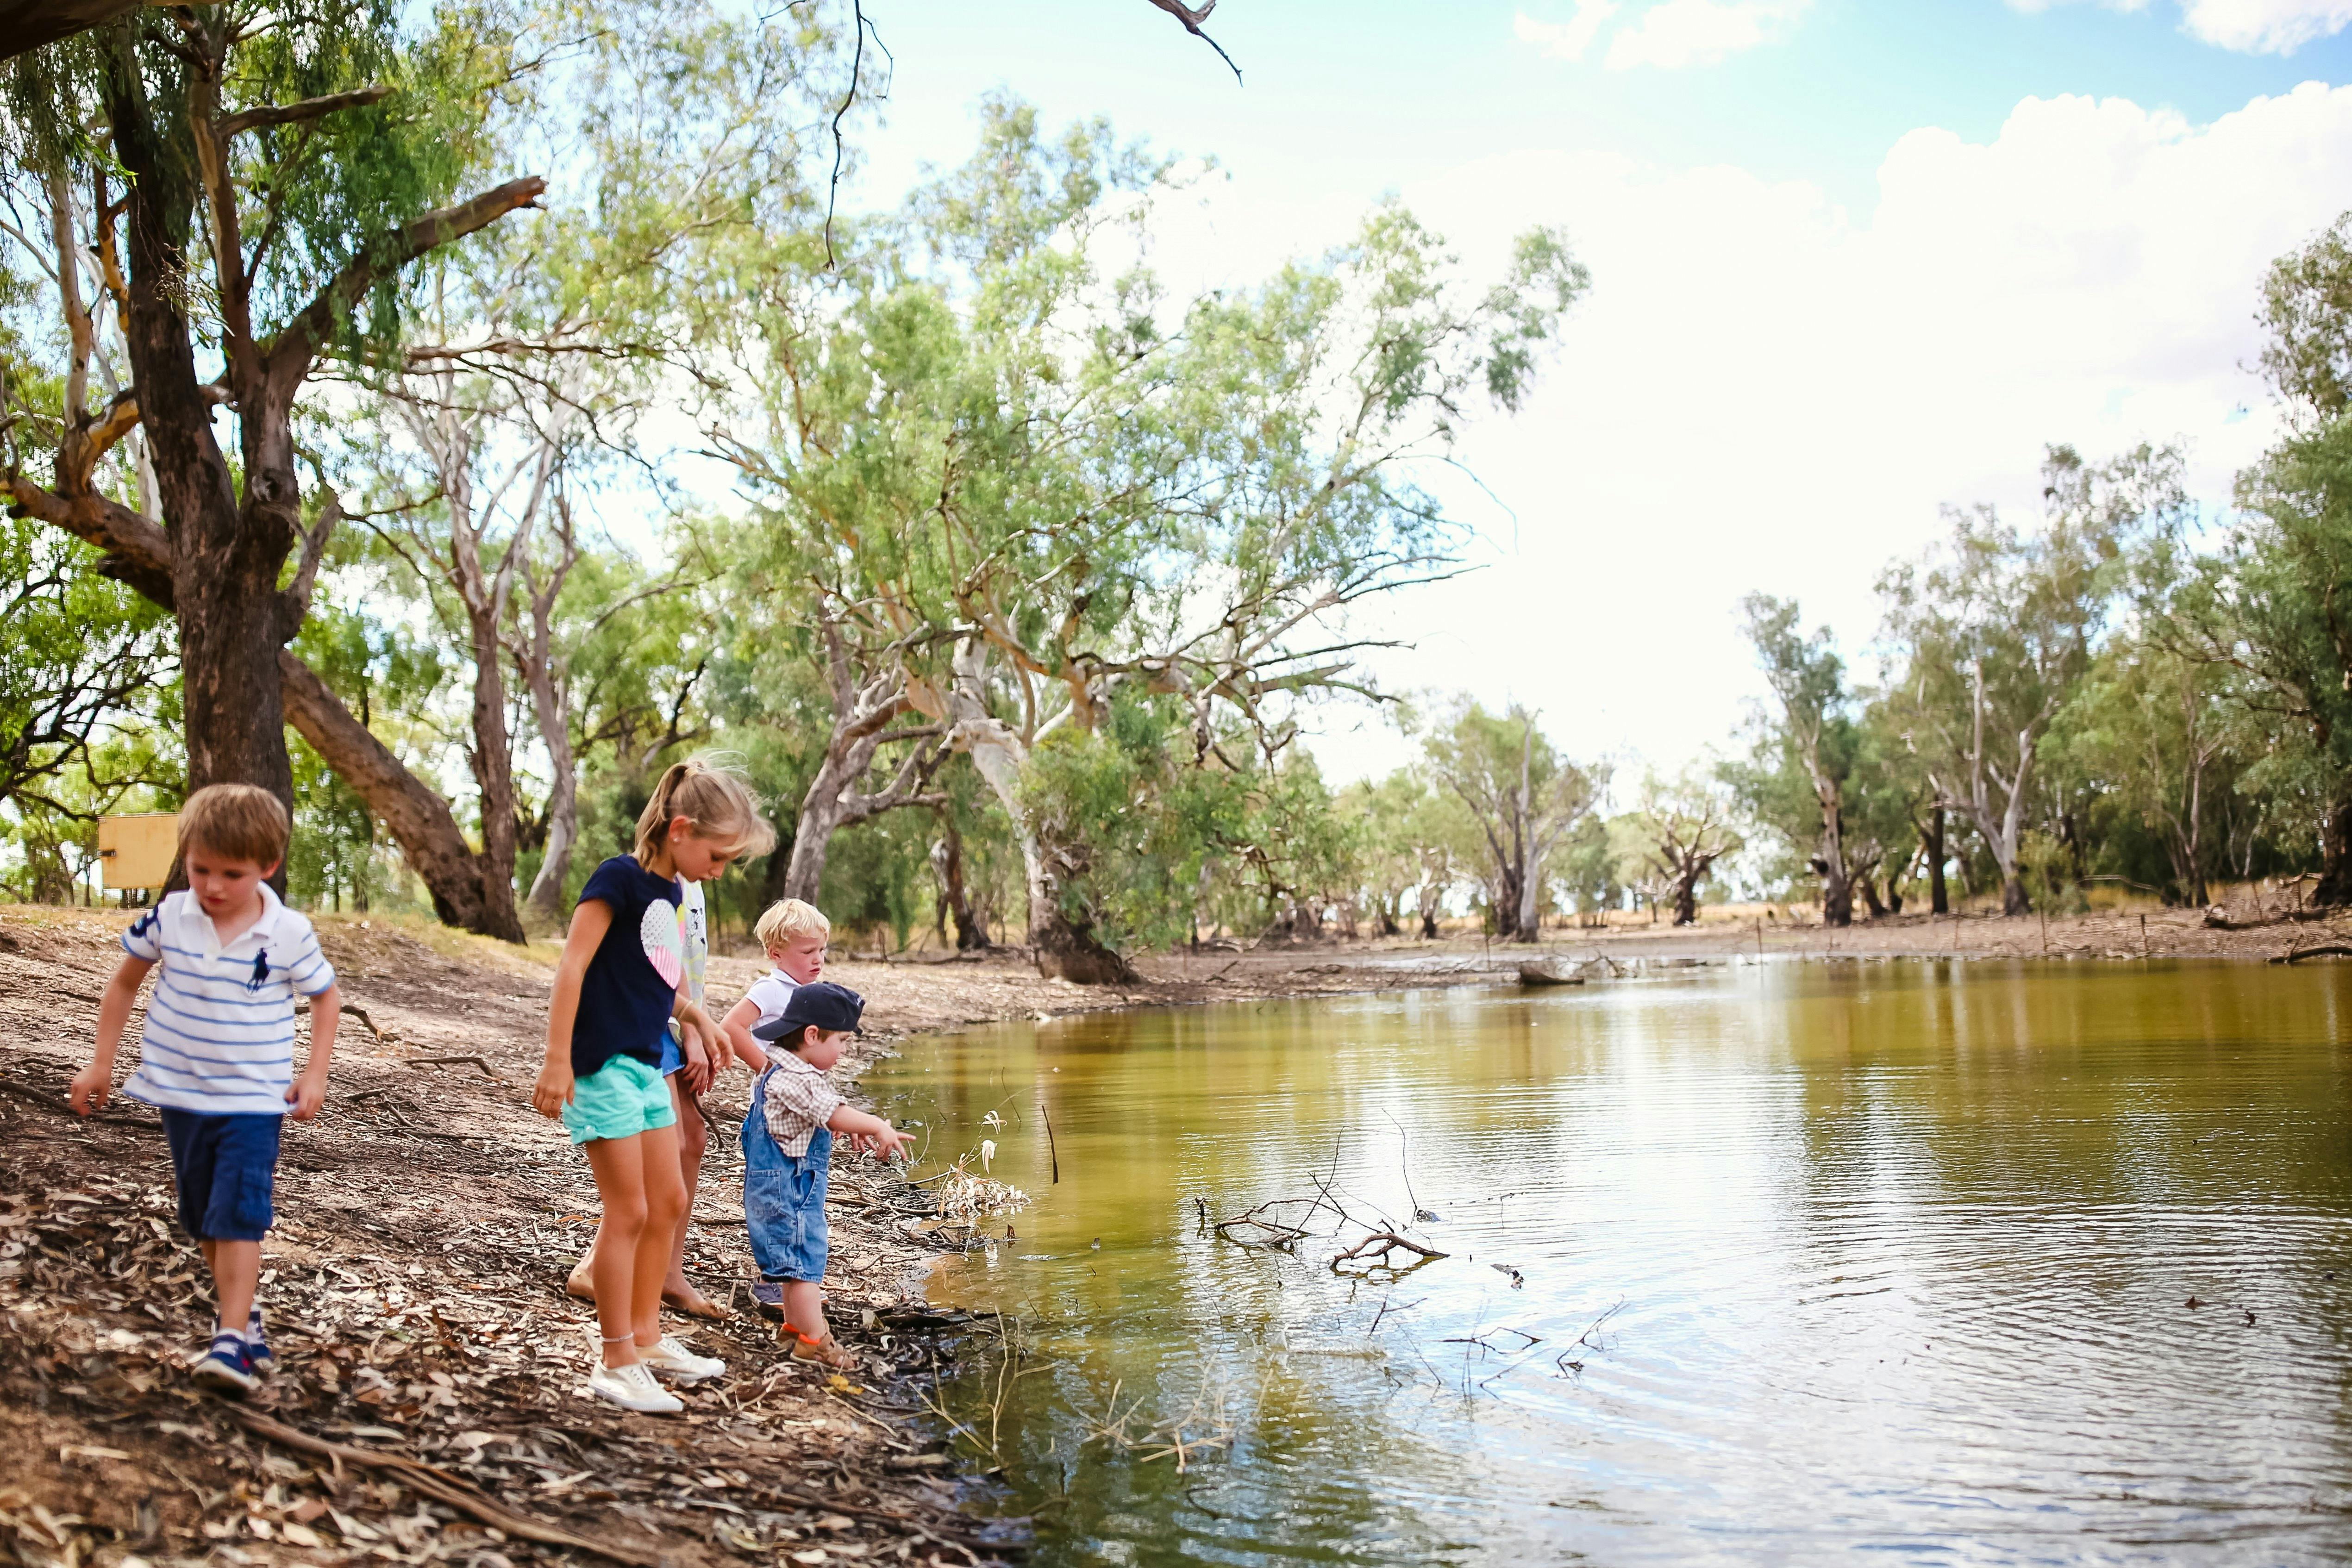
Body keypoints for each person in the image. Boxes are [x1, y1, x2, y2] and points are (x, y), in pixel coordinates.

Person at [67, 784, 341, 1397]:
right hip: (181, 1095)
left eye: (231, 873)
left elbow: (326, 998)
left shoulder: (287, 930)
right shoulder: (169, 915)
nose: (213, 886)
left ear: (267, 866)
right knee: (205, 1220)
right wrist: (100, 1063)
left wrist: (315, 1071)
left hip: (252, 1098)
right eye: (200, 869)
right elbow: (122, 985)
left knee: (238, 1214)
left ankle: (230, 1340)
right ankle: (246, 1321)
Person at [531, 757, 773, 1413]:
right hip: (600, 1063)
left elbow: (660, 981)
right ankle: (615, 1359)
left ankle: (648, 1337)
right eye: (719, 855)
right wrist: (557, 1058)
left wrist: (697, 1018)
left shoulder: (669, 896)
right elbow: (572, 967)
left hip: (644, 1060)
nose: (721, 871)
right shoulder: (620, 878)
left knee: (667, 1198)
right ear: (681, 829)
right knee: (629, 1209)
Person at [742, 982, 910, 1368]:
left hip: (776, 1187)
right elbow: (831, 1112)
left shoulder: (779, 1067)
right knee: (803, 1265)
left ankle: (794, 1331)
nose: (845, 1051)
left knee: (790, 1263)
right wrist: (876, 1126)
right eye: (843, 1041)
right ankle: (817, 1341)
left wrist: (840, 1120)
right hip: (789, 1190)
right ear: (813, 1035)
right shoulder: (795, 1078)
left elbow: (821, 1109)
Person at [718, 898, 832, 1321]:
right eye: (807, 952)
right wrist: (767, 1064)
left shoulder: (811, 994)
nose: (818, 959)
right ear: (776, 953)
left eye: (821, 950)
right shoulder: (771, 989)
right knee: (774, 1194)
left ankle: (798, 1277)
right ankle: (773, 1277)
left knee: (803, 1192)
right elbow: (731, 1026)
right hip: (773, 1117)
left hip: (805, 1116)